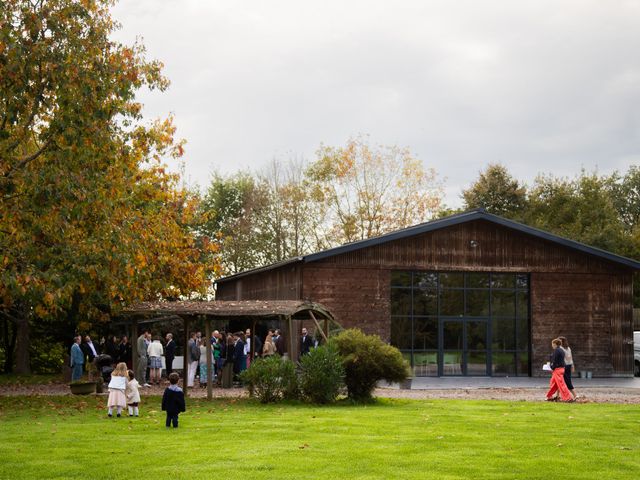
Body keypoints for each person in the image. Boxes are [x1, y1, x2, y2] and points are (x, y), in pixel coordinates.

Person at [545, 338, 573, 402]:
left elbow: (555, 361)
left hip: (557, 370)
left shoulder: (556, 351)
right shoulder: (561, 350)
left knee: (561, 385)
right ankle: (549, 396)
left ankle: (568, 398)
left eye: (552, 344)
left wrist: (551, 367)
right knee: (553, 383)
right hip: (561, 369)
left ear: (555, 344)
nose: (552, 345)